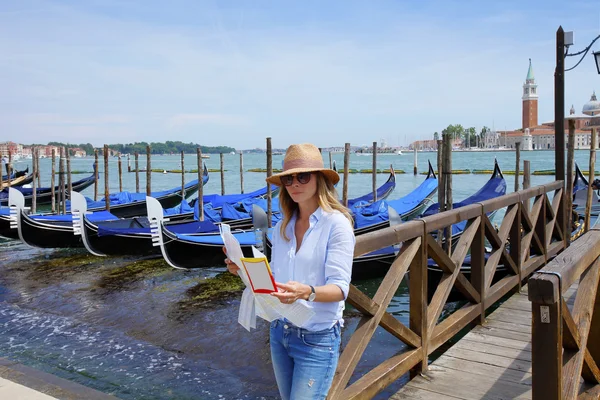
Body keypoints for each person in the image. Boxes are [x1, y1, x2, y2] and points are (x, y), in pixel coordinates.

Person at [225, 143, 355, 399]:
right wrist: (242, 270)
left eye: (303, 176)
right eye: (288, 178)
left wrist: (307, 292)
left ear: (320, 179)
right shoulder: (282, 227)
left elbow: (341, 289)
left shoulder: (336, 224)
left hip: (316, 339)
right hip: (280, 332)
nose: (295, 183)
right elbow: (275, 279)